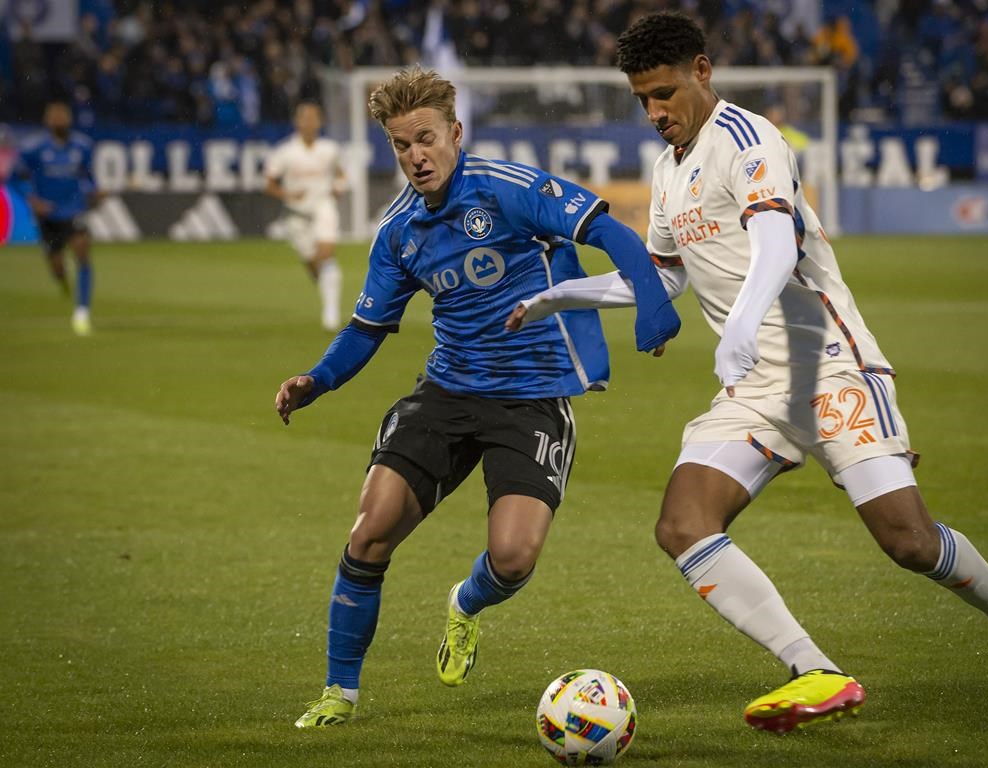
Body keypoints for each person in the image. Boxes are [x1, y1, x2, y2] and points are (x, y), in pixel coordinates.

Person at [508, 11, 988, 734]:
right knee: (683, 523)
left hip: (829, 368)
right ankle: (815, 669)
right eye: (643, 100)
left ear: (702, 71)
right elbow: (663, 279)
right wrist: (561, 294)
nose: (656, 113)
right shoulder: (667, 169)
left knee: (908, 540)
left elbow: (776, 242)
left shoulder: (748, 140)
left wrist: (744, 324)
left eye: (664, 93)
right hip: (754, 387)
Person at [274, 67, 680, 728]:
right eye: (402, 146)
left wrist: (651, 307)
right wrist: (316, 380)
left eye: (426, 139)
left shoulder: (508, 189)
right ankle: (338, 692)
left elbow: (607, 230)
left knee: (514, 558)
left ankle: (465, 603)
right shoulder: (399, 231)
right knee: (370, 531)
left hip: (532, 398)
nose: (416, 157)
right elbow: (368, 327)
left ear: (455, 132)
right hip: (447, 391)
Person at [15, 101, 100, 335]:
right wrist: (32, 200)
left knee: (83, 252)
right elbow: (15, 177)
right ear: (47, 121)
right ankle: (62, 281)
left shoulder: (82, 146)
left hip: (74, 210)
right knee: (57, 266)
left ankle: (82, 312)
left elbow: (89, 176)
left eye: (63, 116)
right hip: (49, 214)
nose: (60, 120)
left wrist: (95, 190)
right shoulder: (34, 148)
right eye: (55, 116)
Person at [265, 102, 347, 331]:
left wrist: (337, 188)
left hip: (323, 206)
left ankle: (330, 312)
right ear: (297, 122)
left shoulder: (330, 149)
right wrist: (288, 193)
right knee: (313, 263)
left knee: (326, 253)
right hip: (296, 214)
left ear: (320, 122)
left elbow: (341, 175)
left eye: (314, 118)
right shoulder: (285, 152)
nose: (310, 123)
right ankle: (327, 289)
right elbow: (269, 185)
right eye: (305, 118)